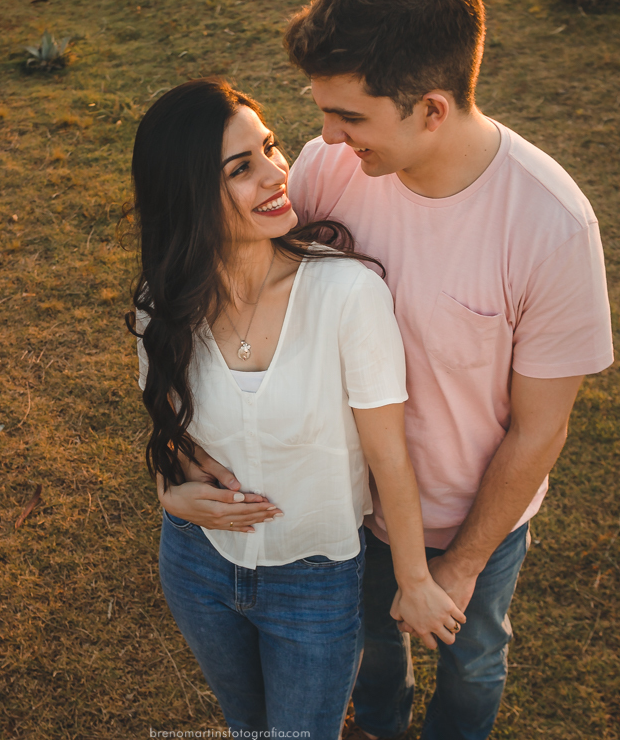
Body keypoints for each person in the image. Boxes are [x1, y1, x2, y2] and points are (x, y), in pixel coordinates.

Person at [167, 0, 615, 739]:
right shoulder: (324, 170)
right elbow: (232, 298)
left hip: (474, 521)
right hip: (348, 513)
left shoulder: (552, 227)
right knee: (373, 655)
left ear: (432, 108)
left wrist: (460, 565)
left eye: (350, 117)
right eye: (323, 111)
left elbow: (540, 428)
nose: (327, 138)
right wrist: (175, 465)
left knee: (473, 659)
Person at [128, 77, 467, 740]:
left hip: (313, 582)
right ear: (187, 195)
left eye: (271, 149)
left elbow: (387, 455)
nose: (278, 174)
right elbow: (172, 434)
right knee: (246, 725)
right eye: (242, 168)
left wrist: (414, 579)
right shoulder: (160, 306)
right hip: (196, 565)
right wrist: (170, 493)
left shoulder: (347, 294)